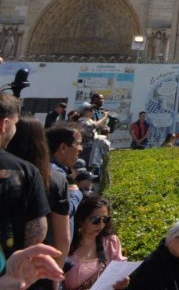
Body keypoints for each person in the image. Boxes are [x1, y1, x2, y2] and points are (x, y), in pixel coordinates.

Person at [6, 117, 70, 270]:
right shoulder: (55, 179)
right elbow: (63, 238)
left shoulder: (7, 174)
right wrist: (56, 274)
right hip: (38, 265)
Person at [0, 94, 50, 260]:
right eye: (15, 124)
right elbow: (37, 232)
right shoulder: (26, 171)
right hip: (7, 271)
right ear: (4, 125)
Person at [63, 196, 127, 290]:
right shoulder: (67, 247)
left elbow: (120, 270)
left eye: (105, 219)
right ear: (81, 220)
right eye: (95, 220)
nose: (101, 224)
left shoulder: (110, 242)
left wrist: (123, 281)